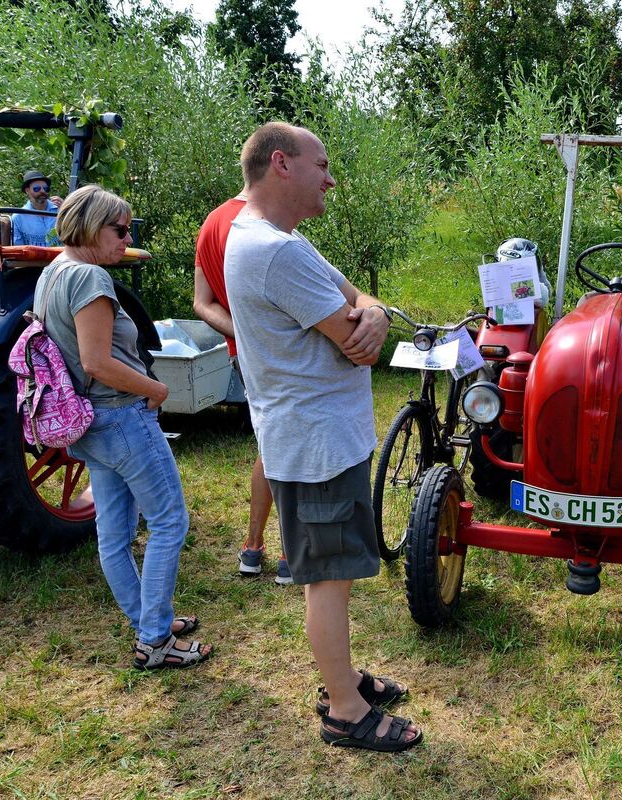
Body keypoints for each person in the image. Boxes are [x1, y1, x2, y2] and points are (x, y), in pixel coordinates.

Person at [224, 122, 421, 751]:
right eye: (323, 165)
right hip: (314, 444)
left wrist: (378, 311)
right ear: (282, 164)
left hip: (316, 438)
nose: (331, 178)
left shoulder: (281, 239)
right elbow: (355, 341)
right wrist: (369, 323)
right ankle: (344, 709)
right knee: (327, 577)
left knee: (328, 572)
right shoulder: (274, 251)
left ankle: (344, 679)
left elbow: (358, 301)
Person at [37, 184, 211, 669]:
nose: (127, 237)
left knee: (114, 533)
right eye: (120, 228)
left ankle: (149, 622)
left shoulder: (52, 272)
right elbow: (96, 361)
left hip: (91, 423)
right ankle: (155, 640)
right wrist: (156, 391)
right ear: (91, 226)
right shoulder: (91, 279)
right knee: (169, 522)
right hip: (120, 415)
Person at [193, 191, 290, 584]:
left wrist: (242, 336)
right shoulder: (259, 223)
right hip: (278, 356)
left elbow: (202, 303)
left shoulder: (211, 222)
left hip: (245, 355)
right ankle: (289, 552)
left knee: (270, 445)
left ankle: (253, 548)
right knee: (285, 449)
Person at [11, 170, 64, 247]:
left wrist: (67, 209)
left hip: (60, 257)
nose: (42, 191)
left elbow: (77, 232)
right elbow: (18, 249)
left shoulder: (60, 209)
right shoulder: (18, 217)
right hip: (33, 258)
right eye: (37, 188)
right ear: (27, 191)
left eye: (46, 188)